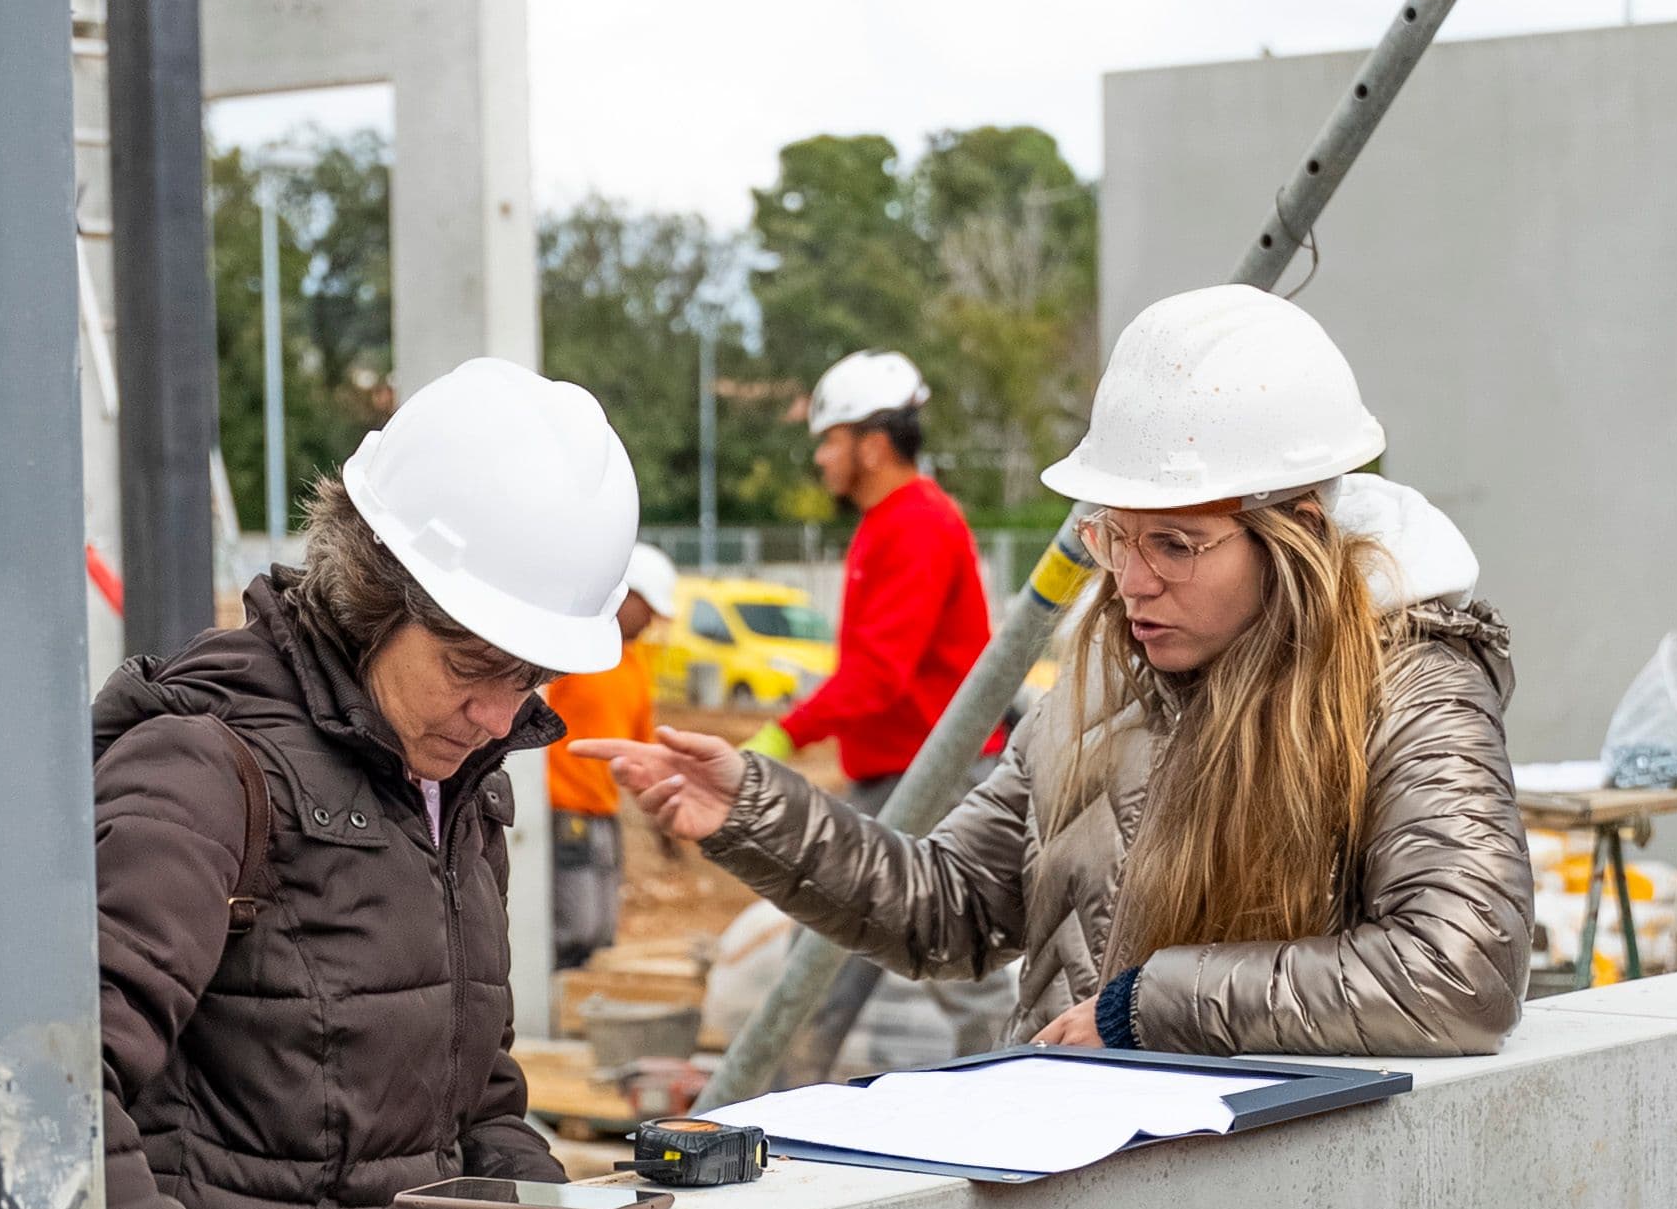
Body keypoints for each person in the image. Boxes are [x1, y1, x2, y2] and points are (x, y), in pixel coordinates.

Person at [609, 286, 1533, 1060]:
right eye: (1114, 537)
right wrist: (756, 813)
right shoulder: (1101, 698)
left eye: (1175, 543)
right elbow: (948, 907)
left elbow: (1460, 971)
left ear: (1298, 529)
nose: (1131, 583)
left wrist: (1148, 1008)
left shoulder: (1409, 689)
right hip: (1075, 1182)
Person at [89, 358, 639, 1209]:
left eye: (533, 678)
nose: (504, 717)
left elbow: (475, 1104)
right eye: (472, 668)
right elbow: (53, 1085)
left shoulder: (456, 787)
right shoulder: (202, 769)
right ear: (373, 594)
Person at [780, 350, 993, 809]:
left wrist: (783, 735)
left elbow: (878, 674)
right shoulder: (891, 520)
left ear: (873, 447)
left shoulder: (917, 524)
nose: (821, 457)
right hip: (914, 772)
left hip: (931, 778)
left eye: (830, 440)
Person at [546, 540, 678, 969]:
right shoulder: (571, 653)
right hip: (564, 811)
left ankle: (578, 1008)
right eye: (649, 608)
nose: (653, 622)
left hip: (603, 813)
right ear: (623, 594)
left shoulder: (633, 667)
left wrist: (663, 823)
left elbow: (645, 751)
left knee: (601, 932)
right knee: (575, 927)